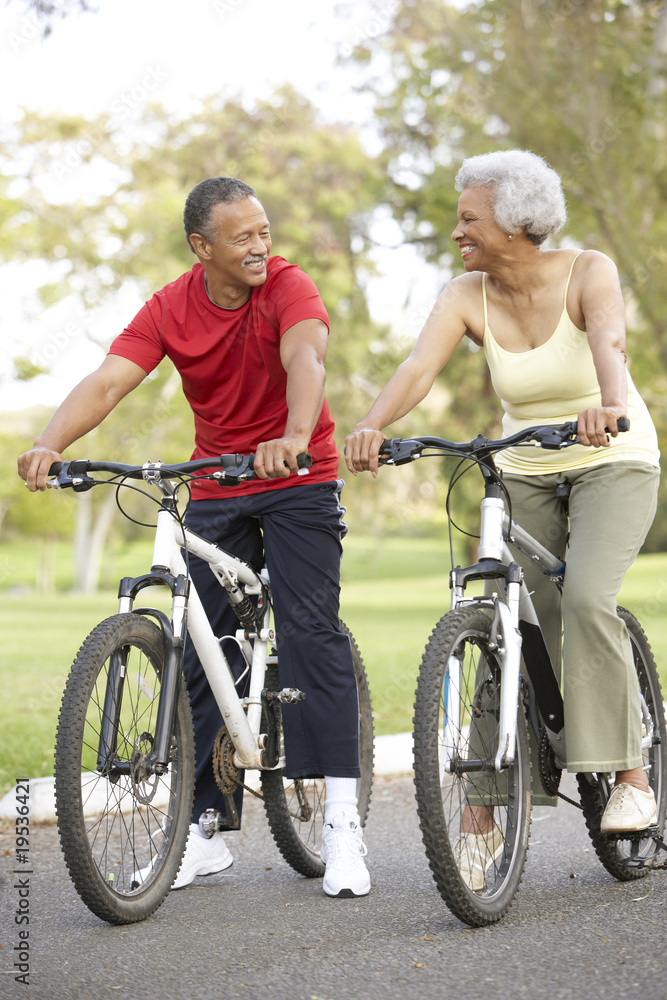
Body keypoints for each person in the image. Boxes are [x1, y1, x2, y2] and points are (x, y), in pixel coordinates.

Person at [18, 176, 370, 898]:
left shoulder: (288, 287)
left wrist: (293, 436)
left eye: (264, 231)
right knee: (198, 645)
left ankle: (341, 823)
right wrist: (50, 442)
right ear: (200, 246)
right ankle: (205, 828)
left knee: (309, 631)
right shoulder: (170, 307)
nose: (260, 246)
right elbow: (111, 380)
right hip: (216, 480)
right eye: (242, 237)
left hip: (298, 475)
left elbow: (307, 358)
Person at [345, 148, 660, 887]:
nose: (456, 232)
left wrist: (609, 404)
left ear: (517, 224)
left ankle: (631, 775)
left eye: (468, 218)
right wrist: (371, 426)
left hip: (609, 457)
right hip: (521, 462)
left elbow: (609, 341)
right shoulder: (466, 293)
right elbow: (417, 370)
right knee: (501, 617)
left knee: (584, 597)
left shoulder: (588, 270)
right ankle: (482, 811)